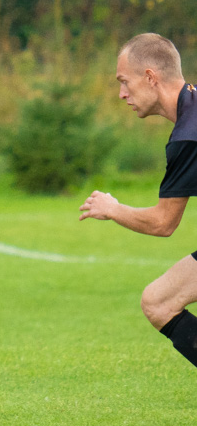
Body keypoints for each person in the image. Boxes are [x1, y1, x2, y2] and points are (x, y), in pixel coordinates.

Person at [80, 32, 197, 370]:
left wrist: (112, 209)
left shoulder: (189, 135)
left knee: (159, 301)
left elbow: (164, 224)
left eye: (124, 82)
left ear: (149, 77)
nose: (121, 93)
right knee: (159, 301)